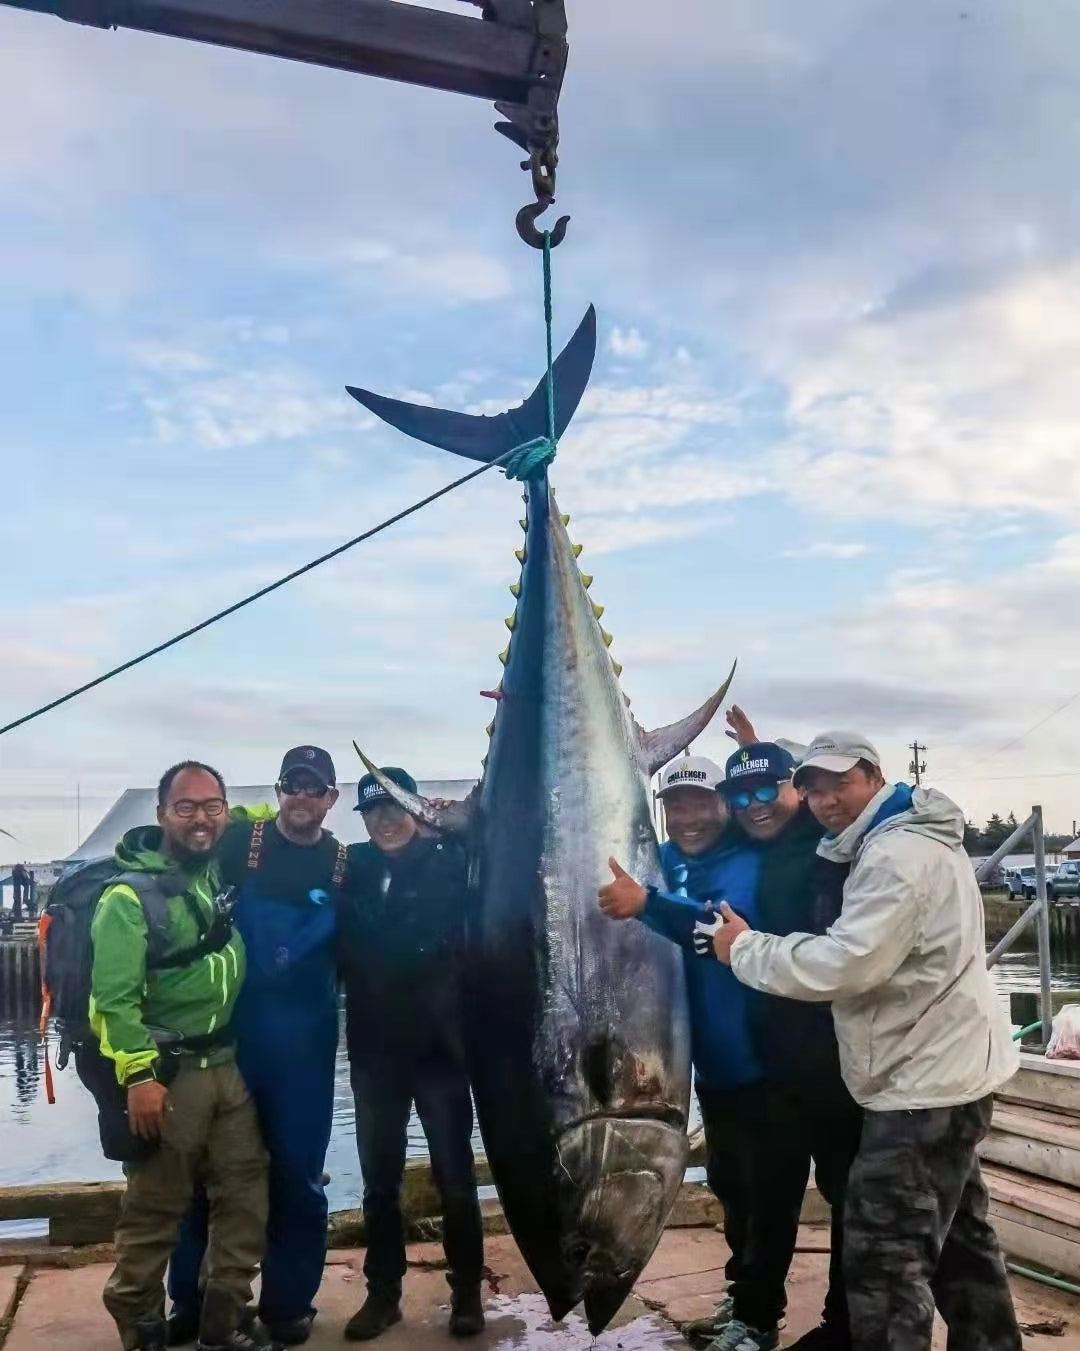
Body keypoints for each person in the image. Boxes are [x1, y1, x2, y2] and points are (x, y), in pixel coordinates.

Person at [712, 733, 1022, 1351]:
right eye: (812, 787)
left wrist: (742, 948)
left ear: (874, 775)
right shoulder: (905, 834)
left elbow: (845, 963)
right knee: (962, 1244)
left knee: (883, 1264)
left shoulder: (893, 856)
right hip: (951, 1072)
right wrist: (756, 744)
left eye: (839, 783)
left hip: (918, 1088)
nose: (825, 800)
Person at [169, 747, 346, 1347]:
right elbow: (176, 859)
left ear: (331, 799)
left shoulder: (346, 864)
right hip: (231, 1041)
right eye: (292, 786)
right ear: (279, 792)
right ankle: (191, 1302)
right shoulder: (237, 841)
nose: (301, 798)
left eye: (313, 788)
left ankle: (288, 1306)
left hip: (307, 1052)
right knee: (207, 1178)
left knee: (300, 1180)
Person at [91, 761, 269, 1351]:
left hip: (226, 1066)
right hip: (169, 1077)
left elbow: (254, 813)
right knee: (155, 1209)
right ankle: (139, 1325)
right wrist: (139, 1075)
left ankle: (226, 1317)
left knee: (245, 1193)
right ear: (162, 813)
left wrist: (282, 807)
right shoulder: (126, 897)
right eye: (186, 807)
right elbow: (112, 1002)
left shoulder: (210, 864)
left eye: (212, 805)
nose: (201, 817)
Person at [599, 755, 774, 1351]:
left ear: (724, 805)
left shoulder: (755, 861)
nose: (689, 816)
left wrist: (648, 903)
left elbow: (720, 928)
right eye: (676, 805)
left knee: (766, 1193)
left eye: (702, 802)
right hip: (707, 1067)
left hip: (764, 1061)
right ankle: (742, 1297)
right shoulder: (661, 863)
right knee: (731, 1186)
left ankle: (757, 1321)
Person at [706, 740, 862, 1351]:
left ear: (794, 789)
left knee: (847, 1200)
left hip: (837, 1063)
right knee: (768, 1202)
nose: (755, 805)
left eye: (768, 789)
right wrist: (751, 748)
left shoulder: (832, 851)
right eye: (741, 796)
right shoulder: (749, 847)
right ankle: (753, 1319)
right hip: (775, 1061)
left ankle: (843, 1326)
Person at [337, 768, 484, 1342]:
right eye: (373, 812)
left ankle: (467, 1291)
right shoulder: (352, 867)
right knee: (378, 1182)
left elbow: (490, 836)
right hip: (375, 1055)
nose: (385, 821)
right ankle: (383, 1294)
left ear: (419, 814)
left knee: (455, 1177)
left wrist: (452, 821)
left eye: (396, 809)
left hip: (442, 1054)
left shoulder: (454, 859)